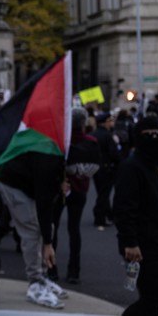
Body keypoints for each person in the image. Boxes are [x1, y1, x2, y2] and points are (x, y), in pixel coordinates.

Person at [113, 116, 158, 316]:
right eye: (147, 135)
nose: (153, 138)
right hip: (141, 245)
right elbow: (123, 208)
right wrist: (129, 242)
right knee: (153, 298)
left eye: (156, 134)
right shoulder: (132, 167)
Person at [0, 142, 68, 309]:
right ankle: (35, 282)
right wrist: (48, 243)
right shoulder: (51, 159)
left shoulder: (57, 154)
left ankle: (41, 276)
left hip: (23, 183)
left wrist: (48, 238)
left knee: (45, 228)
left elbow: (48, 207)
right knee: (32, 230)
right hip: (15, 186)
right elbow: (44, 203)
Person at [49, 107, 100, 284]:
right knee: (74, 229)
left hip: (60, 189)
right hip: (80, 189)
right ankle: (74, 271)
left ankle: (51, 269)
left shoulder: (62, 143)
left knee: (53, 228)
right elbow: (95, 167)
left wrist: (68, 173)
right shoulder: (91, 143)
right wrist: (79, 173)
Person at [91, 112, 120, 229]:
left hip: (96, 167)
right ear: (105, 122)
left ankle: (108, 214)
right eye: (110, 121)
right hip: (107, 168)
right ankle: (100, 216)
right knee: (104, 193)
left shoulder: (93, 135)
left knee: (101, 192)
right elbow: (114, 154)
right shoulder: (108, 136)